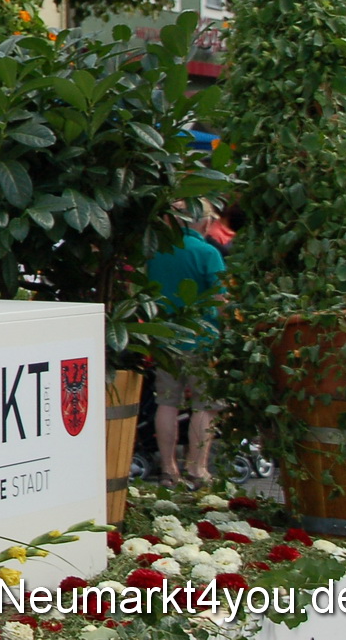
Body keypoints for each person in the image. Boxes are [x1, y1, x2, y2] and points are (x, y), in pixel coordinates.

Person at [147, 203, 228, 488]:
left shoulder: (157, 252)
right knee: (204, 406)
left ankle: (168, 469)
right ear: (204, 224)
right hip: (202, 338)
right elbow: (220, 301)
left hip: (165, 337)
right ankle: (197, 468)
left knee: (166, 403)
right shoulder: (208, 253)